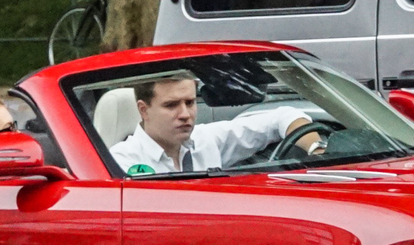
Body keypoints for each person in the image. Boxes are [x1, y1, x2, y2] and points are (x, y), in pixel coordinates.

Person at [104, 71, 322, 175]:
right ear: (144, 110)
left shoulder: (207, 139)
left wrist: (318, 150)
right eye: (171, 105)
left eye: (190, 102)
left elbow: (283, 117)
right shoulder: (119, 162)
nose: (185, 114)